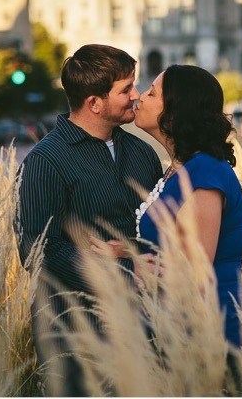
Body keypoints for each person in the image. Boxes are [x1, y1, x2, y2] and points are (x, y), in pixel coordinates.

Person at [13, 44, 164, 394]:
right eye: (125, 89)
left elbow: (154, 229)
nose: (136, 96)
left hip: (141, 325)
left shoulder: (142, 152)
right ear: (94, 102)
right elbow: (37, 250)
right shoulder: (45, 162)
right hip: (75, 332)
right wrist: (127, 271)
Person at [129, 64, 242, 348]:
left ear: (173, 111)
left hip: (204, 337)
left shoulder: (205, 173)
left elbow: (193, 272)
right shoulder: (179, 169)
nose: (140, 96)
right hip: (170, 329)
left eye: (152, 93)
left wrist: (123, 268)